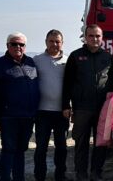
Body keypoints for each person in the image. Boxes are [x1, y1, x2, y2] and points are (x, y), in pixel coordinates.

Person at [62, 24, 112, 181]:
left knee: (101, 144)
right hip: (82, 108)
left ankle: (96, 173)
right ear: (85, 37)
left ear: (102, 38)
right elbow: (67, 83)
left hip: (102, 108)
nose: (95, 39)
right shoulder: (75, 56)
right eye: (91, 36)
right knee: (81, 143)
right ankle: (81, 174)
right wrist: (65, 105)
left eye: (98, 36)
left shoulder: (108, 57)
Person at [0, 32, 40, 181]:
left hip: (28, 116)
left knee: (21, 151)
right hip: (8, 117)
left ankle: (19, 178)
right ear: (7, 45)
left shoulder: (31, 62)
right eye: (14, 44)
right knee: (9, 150)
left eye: (21, 44)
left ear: (25, 47)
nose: (18, 47)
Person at [33, 30, 69, 181]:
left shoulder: (68, 61)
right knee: (41, 148)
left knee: (61, 148)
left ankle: (60, 176)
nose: (54, 44)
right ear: (46, 42)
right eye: (51, 41)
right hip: (42, 112)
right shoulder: (37, 60)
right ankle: (39, 176)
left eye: (57, 41)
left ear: (62, 43)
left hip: (62, 112)